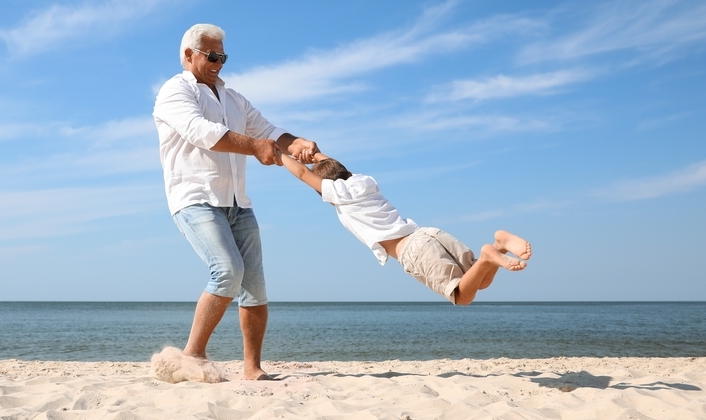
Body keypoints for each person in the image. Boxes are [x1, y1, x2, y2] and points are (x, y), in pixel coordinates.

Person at [150, 23, 319, 382]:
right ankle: (192, 355)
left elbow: (269, 132)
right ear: (188, 55)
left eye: (223, 56)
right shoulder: (173, 92)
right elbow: (202, 133)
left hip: (238, 202)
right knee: (227, 270)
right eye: (211, 56)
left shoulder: (234, 98)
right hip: (195, 198)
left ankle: (252, 369)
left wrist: (298, 143)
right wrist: (256, 148)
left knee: (254, 285)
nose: (218, 63)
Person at [279, 152, 531, 305]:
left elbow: (302, 174)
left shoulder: (339, 194)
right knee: (478, 282)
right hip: (428, 233)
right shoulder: (363, 182)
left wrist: (279, 154)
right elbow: (335, 167)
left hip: (412, 250)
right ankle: (498, 246)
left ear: (323, 186)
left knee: (463, 296)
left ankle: (489, 253)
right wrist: (317, 156)